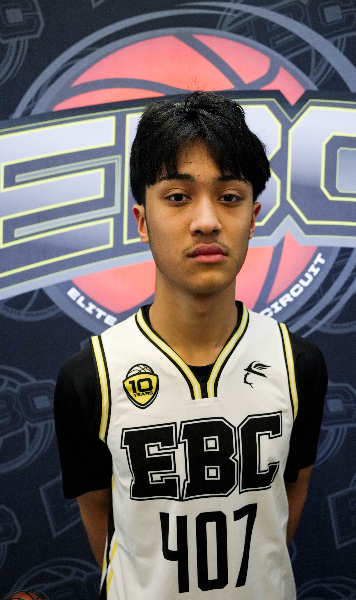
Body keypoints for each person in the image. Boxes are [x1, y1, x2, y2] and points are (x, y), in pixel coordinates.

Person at [54, 91, 327, 600]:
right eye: (178, 197)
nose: (207, 221)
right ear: (142, 220)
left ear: (254, 216)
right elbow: (104, 525)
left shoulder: (297, 363)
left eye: (230, 197)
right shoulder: (91, 376)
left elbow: (288, 500)